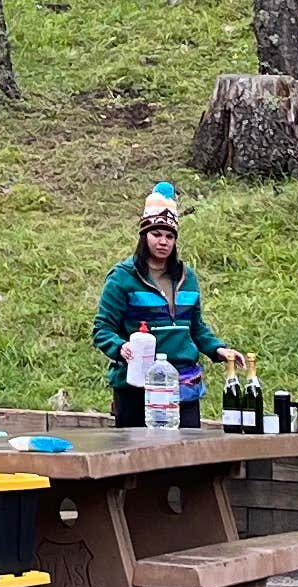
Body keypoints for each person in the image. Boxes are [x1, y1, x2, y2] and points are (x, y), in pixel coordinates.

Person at [92, 183, 229, 427]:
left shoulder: (189, 278)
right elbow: (102, 329)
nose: (163, 242)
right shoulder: (122, 278)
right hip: (136, 387)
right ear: (144, 236)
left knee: (185, 457)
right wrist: (120, 347)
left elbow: (195, 328)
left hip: (183, 386)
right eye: (157, 235)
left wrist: (219, 350)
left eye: (169, 236)